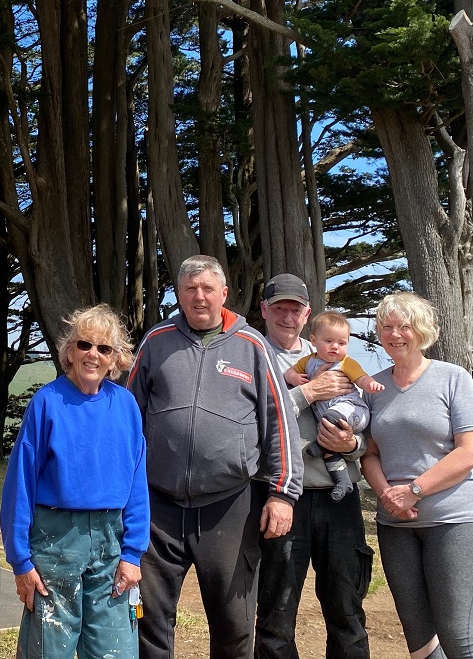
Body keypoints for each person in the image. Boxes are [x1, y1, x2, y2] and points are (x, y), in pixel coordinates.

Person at [128, 255, 302, 659]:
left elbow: (279, 423)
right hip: (160, 509)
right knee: (149, 621)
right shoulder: (156, 341)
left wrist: (282, 494)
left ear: (224, 293)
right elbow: (127, 416)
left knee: (233, 624)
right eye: (190, 288)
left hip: (229, 507)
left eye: (208, 288)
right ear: (180, 293)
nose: (199, 296)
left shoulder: (252, 346)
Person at [1, 304, 150, 659]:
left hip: (111, 542)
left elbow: (137, 484)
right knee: (49, 648)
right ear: (70, 351)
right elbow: (19, 484)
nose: (93, 355)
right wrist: (21, 561)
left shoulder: (126, 406)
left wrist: (133, 554)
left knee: (115, 649)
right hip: (55, 541)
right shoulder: (47, 403)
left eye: (104, 348)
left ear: (115, 359)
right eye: (84, 345)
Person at [360, 291, 473, 659]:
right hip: (396, 527)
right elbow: (369, 455)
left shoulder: (453, 378)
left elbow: (471, 450)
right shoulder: (373, 388)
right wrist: (388, 494)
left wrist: (414, 491)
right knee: (418, 639)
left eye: (404, 326)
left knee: (457, 636)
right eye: (387, 327)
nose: (395, 334)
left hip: (455, 522)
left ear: (422, 331)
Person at [255, 273, 373, 659]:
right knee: (277, 608)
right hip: (281, 497)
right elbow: (250, 420)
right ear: (264, 310)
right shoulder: (252, 354)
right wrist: (307, 393)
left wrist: (353, 445)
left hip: (339, 497)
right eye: (279, 309)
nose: (287, 317)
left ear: (307, 314)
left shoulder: (335, 355)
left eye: (295, 310)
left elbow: (365, 420)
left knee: (347, 606)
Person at [283, 311, 384, 501]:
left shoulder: (346, 363)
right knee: (331, 445)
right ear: (314, 340)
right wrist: (296, 379)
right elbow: (290, 372)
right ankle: (342, 481)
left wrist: (370, 384)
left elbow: (361, 378)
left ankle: (319, 445)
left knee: (330, 421)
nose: (335, 347)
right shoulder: (308, 361)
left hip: (351, 410)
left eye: (342, 343)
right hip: (329, 422)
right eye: (329, 341)